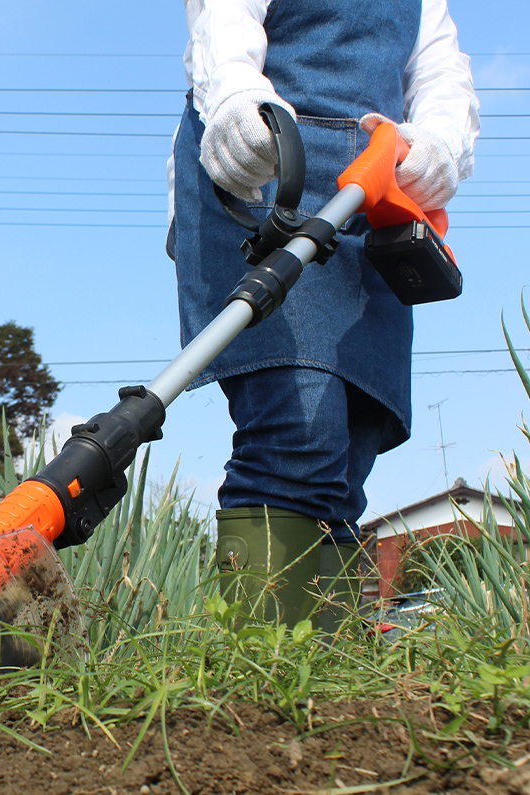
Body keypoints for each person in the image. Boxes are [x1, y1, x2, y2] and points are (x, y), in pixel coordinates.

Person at [166, 0, 479, 627]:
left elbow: (443, 74)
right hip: (265, 174)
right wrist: (233, 99)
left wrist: (442, 143)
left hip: (376, 196)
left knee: (350, 450)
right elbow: (223, 18)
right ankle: (255, 676)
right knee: (299, 429)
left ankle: (328, 686)